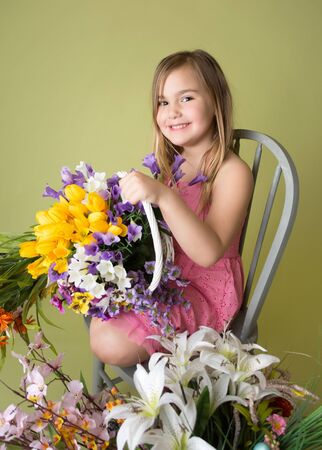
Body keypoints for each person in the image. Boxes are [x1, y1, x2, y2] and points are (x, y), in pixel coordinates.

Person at [90, 49, 254, 366]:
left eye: (186, 98)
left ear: (216, 101)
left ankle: (171, 399)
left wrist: (164, 197)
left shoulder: (232, 172)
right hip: (168, 277)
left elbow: (208, 253)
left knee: (110, 338)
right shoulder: (173, 166)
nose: (172, 112)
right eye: (164, 102)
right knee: (100, 307)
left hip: (203, 290)